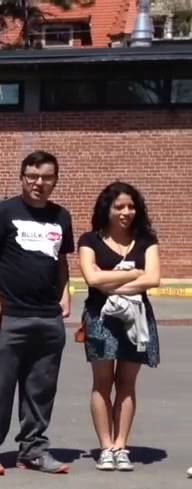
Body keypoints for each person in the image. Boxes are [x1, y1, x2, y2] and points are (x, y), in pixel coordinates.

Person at [0, 150, 74, 476]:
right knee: (0, 387)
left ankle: (34, 450)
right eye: (32, 176)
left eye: (46, 177)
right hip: (9, 315)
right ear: (22, 178)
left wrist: (66, 294)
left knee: (41, 388)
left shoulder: (61, 217)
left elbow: (61, 261)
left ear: (55, 180)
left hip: (48, 318)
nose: (38, 183)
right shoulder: (5, 212)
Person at [77, 182, 161, 472]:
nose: (126, 212)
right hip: (100, 318)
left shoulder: (146, 240)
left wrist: (113, 279)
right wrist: (134, 273)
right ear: (107, 209)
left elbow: (153, 279)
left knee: (127, 383)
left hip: (136, 319)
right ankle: (105, 447)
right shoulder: (90, 240)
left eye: (131, 206)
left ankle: (121, 445)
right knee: (102, 383)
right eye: (119, 207)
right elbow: (91, 279)